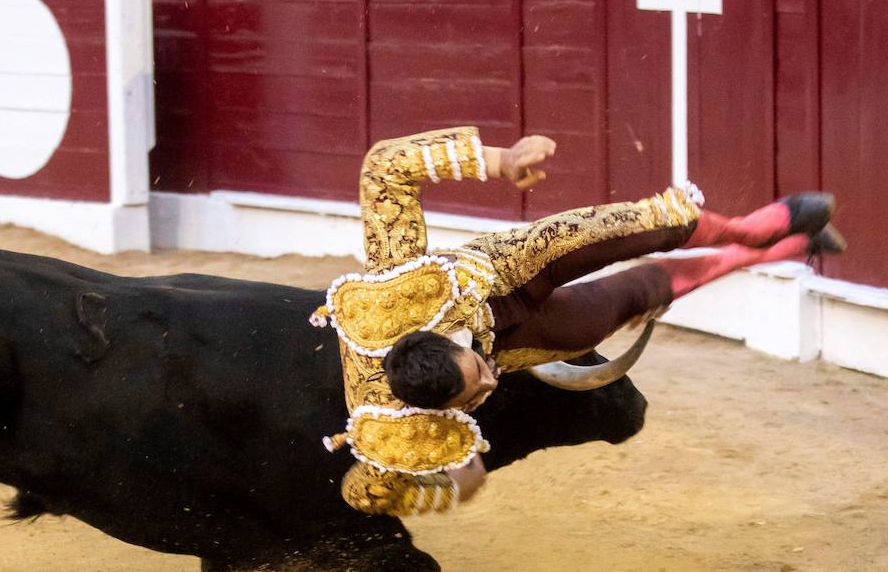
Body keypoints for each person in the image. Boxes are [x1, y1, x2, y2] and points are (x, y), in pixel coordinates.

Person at [309, 127, 845, 516]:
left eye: (476, 369)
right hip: (519, 340)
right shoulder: (382, 418)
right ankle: (769, 253)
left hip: (503, 268)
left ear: (438, 341)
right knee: (634, 294)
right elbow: (364, 492)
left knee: (646, 224)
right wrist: (447, 491)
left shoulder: (394, 281)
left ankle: (753, 229)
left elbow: (384, 165)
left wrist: (502, 160)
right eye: (476, 390)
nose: (492, 382)